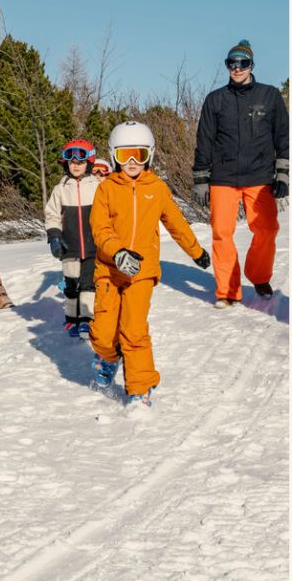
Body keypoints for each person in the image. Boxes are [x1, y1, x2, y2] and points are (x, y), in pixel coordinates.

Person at [90, 121, 211, 408]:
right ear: (114, 156)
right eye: (125, 155)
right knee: (104, 333)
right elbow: (99, 228)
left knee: (134, 330)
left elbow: (176, 223)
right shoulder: (105, 189)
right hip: (109, 270)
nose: (132, 162)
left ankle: (140, 388)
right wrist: (117, 252)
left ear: (150, 155)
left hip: (141, 274)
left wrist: (196, 251)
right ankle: (107, 358)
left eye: (139, 154)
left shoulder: (156, 189)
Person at [193, 39, 289, 307]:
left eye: (242, 63)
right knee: (221, 233)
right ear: (227, 66)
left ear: (251, 65)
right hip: (223, 177)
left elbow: (283, 136)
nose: (237, 68)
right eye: (232, 63)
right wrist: (201, 178)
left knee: (267, 229)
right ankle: (227, 290)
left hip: (260, 176)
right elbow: (204, 140)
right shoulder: (215, 100)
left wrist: (283, 173)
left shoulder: (269, 96)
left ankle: (259, 276)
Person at [44, 138, 102, 338]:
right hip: (69, 246)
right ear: (66, 163)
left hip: (93, 246)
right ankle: (71, 319)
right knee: (71, 284)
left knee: (88, 283)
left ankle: (86, 319)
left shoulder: (97, 187)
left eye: (80, 161)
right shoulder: (60, 189)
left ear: (89, 163)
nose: (76, 165)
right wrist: (54, 236)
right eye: (72, 162)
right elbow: (51, 215)